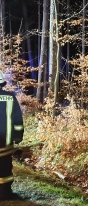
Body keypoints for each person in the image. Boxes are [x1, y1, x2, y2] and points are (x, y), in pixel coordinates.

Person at [0, 70, 24, 201]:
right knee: (4, 167)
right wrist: (18, 135)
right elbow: (17, 120)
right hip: (5, 141)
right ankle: (4, 193)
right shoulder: (10, 98)